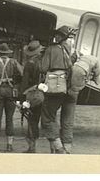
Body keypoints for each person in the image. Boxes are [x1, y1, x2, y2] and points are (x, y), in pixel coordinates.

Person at [40, 25, 73, 154]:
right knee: (56, 117)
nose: (56, 36)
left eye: (58, 35)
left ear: (61, 37)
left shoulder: (51, 49)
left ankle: (59, 148)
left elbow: (43, 68)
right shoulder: (67, 49)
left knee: (47, 118)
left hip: (53, 86)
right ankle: (59, 148)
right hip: (64, 86)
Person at [66, 54, 100, 153]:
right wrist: (96, 81)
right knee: (73, 96)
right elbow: (97, 73)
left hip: (74, 69)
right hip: (82, 72)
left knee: (70, 90)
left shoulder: (82, 56)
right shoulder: (96, 61)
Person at [21, 40, 44, 153]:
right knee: (40, 118)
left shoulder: (29, 64)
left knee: (31, 120)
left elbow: (25, 83)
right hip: (44, 94)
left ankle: (32, 146)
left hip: (32, 95)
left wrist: (22, 98)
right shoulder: (44, 61)